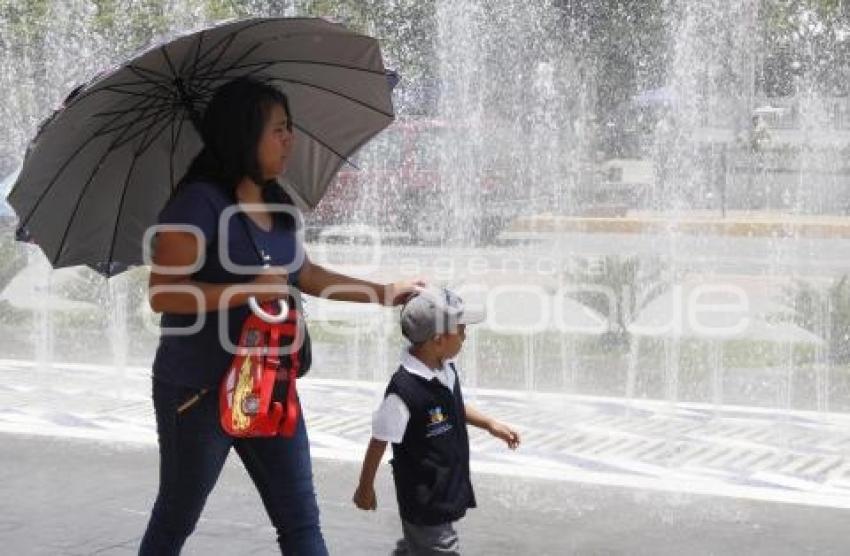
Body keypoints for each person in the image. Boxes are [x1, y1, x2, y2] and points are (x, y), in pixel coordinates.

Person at [140, 77, 421, 555]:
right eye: (279, 129)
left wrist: (382, 292)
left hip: (268, 385)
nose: (290, 139)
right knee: (175, 519)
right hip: (199, 393)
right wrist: (243, 289)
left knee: (301, 523)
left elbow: (304, 273)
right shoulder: (195, 203)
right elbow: (164, 295)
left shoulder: (276, 201)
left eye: (290, 128)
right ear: (242, 135)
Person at [352, 287, 521, 555]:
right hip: (424, 499)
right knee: (440, 548)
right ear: (438, 340)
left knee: (419, 548)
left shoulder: (444, 368)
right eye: (461, 329)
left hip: (445, 488)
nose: (466, 334)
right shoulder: (403, 393)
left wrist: (490, 424)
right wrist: (364, 488)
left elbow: (453, 407)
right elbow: (379, 440)